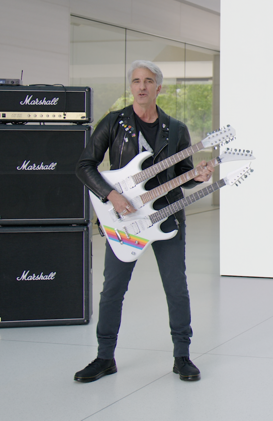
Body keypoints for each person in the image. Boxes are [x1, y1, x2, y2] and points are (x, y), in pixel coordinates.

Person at [74, 60, 213, 383]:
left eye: (148, 81)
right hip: (123, 222)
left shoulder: (176, 129)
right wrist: (111, 196)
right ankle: (104, 357)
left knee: (176, 288)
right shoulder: (114, 122)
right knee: (113, 290)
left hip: (166, 218)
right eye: (136, 80)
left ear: (158, 87)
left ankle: (182, 356)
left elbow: (182, 177)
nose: (141, 86)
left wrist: (199, 176)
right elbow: (84, 166)